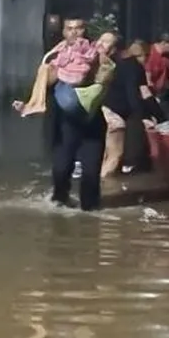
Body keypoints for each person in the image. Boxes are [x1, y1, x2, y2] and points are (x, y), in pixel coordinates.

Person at [50, 30, 119, 211]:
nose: (103, 46)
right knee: (62, 166)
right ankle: (60, 198)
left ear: (113, 51)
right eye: (101, 41)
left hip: (92, 121)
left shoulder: (108, 67)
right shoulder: (76, 55)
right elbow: (51, 75)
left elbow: (99, 80)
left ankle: (90, 209)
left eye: (109, 45)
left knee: (91, 170)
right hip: (69, 121)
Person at [12, 16, 102, 118]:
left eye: (78, 28)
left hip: (77, 91)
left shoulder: (90, 47)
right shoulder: (59, 48)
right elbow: (41, 78)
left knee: (68, 102)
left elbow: (90, 70)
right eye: (69, 29)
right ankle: (33, 104)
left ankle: (36, 105)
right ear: (63, 32)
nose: (74, 32)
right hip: (57, 97)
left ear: (84, 30)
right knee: (44, 69)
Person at [101, 40, 156, 176]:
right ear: (141, 55)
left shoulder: (114, 63)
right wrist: (144, 116)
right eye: (146, 56)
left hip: (103, 109)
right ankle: (103, 191)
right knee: (115, 156)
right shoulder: (134, 67)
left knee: (106, 155)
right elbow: (135, 94)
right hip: (114, 114)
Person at [145, 28, 169, 123]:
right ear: (163, 43)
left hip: (163, 94)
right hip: (150, 96)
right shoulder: (149, 54)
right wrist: (153, 98)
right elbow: (147, 79)